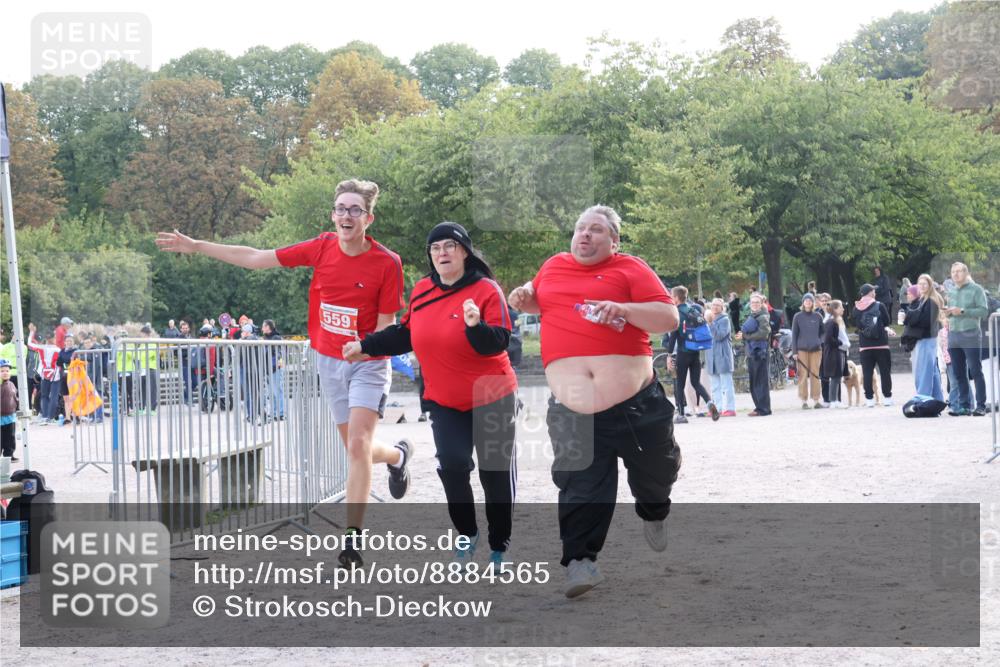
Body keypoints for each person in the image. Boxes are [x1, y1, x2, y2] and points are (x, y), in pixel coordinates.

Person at [157, 178, 411, 569]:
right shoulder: (322, 247)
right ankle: (397, 456)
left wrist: (364, 347)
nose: (346, 215)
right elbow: (256, 257)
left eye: (354, 210)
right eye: (340, 208)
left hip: (368, 364)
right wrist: (197, 246)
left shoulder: (386, 262)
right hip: (328, 361)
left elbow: (387, 323)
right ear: (333, 214)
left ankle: (353, 539)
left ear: (368, 218)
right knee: (356, 449)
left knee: (358, 446)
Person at [507, 204, 681, 599]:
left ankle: (654, 511)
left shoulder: (631, 269)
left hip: (636, 405)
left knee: (657, 473)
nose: (585, 235)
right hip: (573, 411)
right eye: (581, 228)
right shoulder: (553, 266)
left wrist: (624, 309)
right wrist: (525, 295)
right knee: (578, 485)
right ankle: (580, 562)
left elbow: (667, 317)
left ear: (614, 240)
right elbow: (542, 298)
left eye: (597, 230)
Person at [346, 222, 517, 568]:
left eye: (449, 246)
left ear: (465, 252)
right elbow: (404, 333)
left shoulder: (486, 290)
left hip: (492, 396)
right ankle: (467, 537)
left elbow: (499, 342)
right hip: (444, 400)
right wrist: (365, 345)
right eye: (435, 247)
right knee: (453, 467)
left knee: (494, 474)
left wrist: (475, 326)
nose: (442, 253)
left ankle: (499, 545)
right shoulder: (423, 290)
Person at [664, 285, 718, 423]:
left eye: (672, 296)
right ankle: (710, 402)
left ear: (676, 298)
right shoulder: (694, 310)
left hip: (683, 352)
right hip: (696, 352)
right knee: (696, 382)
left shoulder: (676, 312)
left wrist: (669, 355)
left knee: (680, 383)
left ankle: (681, 414)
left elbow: (673, 337)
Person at [945, 262, 989, 416]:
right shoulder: (951, 291)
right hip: (954, 335)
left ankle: (981, 406)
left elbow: (983, 311)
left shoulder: (976, 289)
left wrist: (962, 311)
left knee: (975, 370)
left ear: (965, 273)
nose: (955, 274)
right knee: (958, 373)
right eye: (953, 271)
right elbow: (952, 312)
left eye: (958, 271)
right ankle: (964, 406)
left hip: (970, 334)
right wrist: (947, 313)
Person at [903, 273, 945, 402]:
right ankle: (937, 400)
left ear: (930, 285)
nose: (921, 286)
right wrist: (912, 318)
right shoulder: (922, 300)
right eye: (919, 284)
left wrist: (911, 318)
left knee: (924, 371)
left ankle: (923, 399)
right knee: (931, 371)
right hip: (923, 339)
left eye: (924, 284)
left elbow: (925, 321)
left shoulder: (931, 301)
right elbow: (914, 318)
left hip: (928, 339)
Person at [853, 283, 894, 408]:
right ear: (870, 292)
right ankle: (887, 398)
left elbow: (857, 325)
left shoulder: (856, 308)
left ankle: (869, 399)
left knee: (867, 373)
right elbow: (888, 321)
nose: (875, 293)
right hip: (881, 344)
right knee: (885, 372)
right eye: (873, 291)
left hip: (865, 346)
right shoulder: (879, 305)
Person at [736, 293, 771, 416]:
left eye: (757, 302)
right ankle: (759, 407)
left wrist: (746, 336)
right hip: (752, 352)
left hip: (759, 353)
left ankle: (764, 409)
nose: (755, 304)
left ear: (761, 304)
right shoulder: (754, 315)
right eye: (752, 302)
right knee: (754, 381)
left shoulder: (763, 317)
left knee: (760, 381)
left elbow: (764, 334)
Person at [790, 293, 824, 409]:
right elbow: (794, 335)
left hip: (816, 350)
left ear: (813, 302)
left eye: (810, 300)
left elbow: (823, 332)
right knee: (802, 375)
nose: (808, 302)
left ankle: (816, 400)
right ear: (803, 303)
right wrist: (794, 351)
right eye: (806, 300)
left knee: (815, 374)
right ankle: (803, 401)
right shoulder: (797, 316)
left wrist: (820, 341)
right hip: (801, 350)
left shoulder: (818, 316)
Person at [705, 298, 736, 416]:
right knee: (714, 386)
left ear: (722, 307)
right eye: (713, 305)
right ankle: (717, 408)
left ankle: (730, 408)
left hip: (723, 355)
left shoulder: (725, 320)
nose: (715, 307)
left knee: (726, 384)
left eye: (718, 305)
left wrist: (711, 324)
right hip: (711, 355)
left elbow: (719, 336)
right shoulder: (707, 320)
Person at [26, 324, 63, 424]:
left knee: (44, 396)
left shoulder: (41, 347)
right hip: (55, 375)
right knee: (54, 396)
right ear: (52, 338)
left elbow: (29, 343)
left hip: (44, 374)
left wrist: (32, 332)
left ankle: (45, 416)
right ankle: (50, 417)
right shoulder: (58, 349)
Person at [821, 300, 850, 409]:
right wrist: (840, 343)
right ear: (835, 309)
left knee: (838, 377)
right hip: (834, 353)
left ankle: (837, 400)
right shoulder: (831, 322)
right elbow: (829, 338)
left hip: (840, 352)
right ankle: (833, 400)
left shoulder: (839, 321)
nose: (842, 309)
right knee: (834, 377)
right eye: (840, 307)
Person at [261, 320, 285, 421]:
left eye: (263, 326)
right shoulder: (265, 338)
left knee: (277, 390)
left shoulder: (276, 338)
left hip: (275, 367)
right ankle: (275, 412)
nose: (262, 328)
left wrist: (280, 362)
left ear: (268, 327)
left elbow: (280, 352)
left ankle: (280, 413)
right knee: (272, 392)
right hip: (268, 368)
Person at [815, 293, 833, 406]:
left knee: (835, 373)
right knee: (824, 374)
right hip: (821, 346)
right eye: (822, 300)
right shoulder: (816, 314)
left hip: (834, 346)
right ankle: (826, 398)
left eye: (827, 300)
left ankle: (836, 398)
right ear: (819, 302)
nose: (825, 302)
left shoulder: (835, 312)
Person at [1, 359, 18, 461]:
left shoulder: (11, 384)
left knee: (10, 437)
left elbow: (15, 397)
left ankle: (9, 455)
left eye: (7, 371)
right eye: (2, 371)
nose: (5, 373)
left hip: (10, 416)